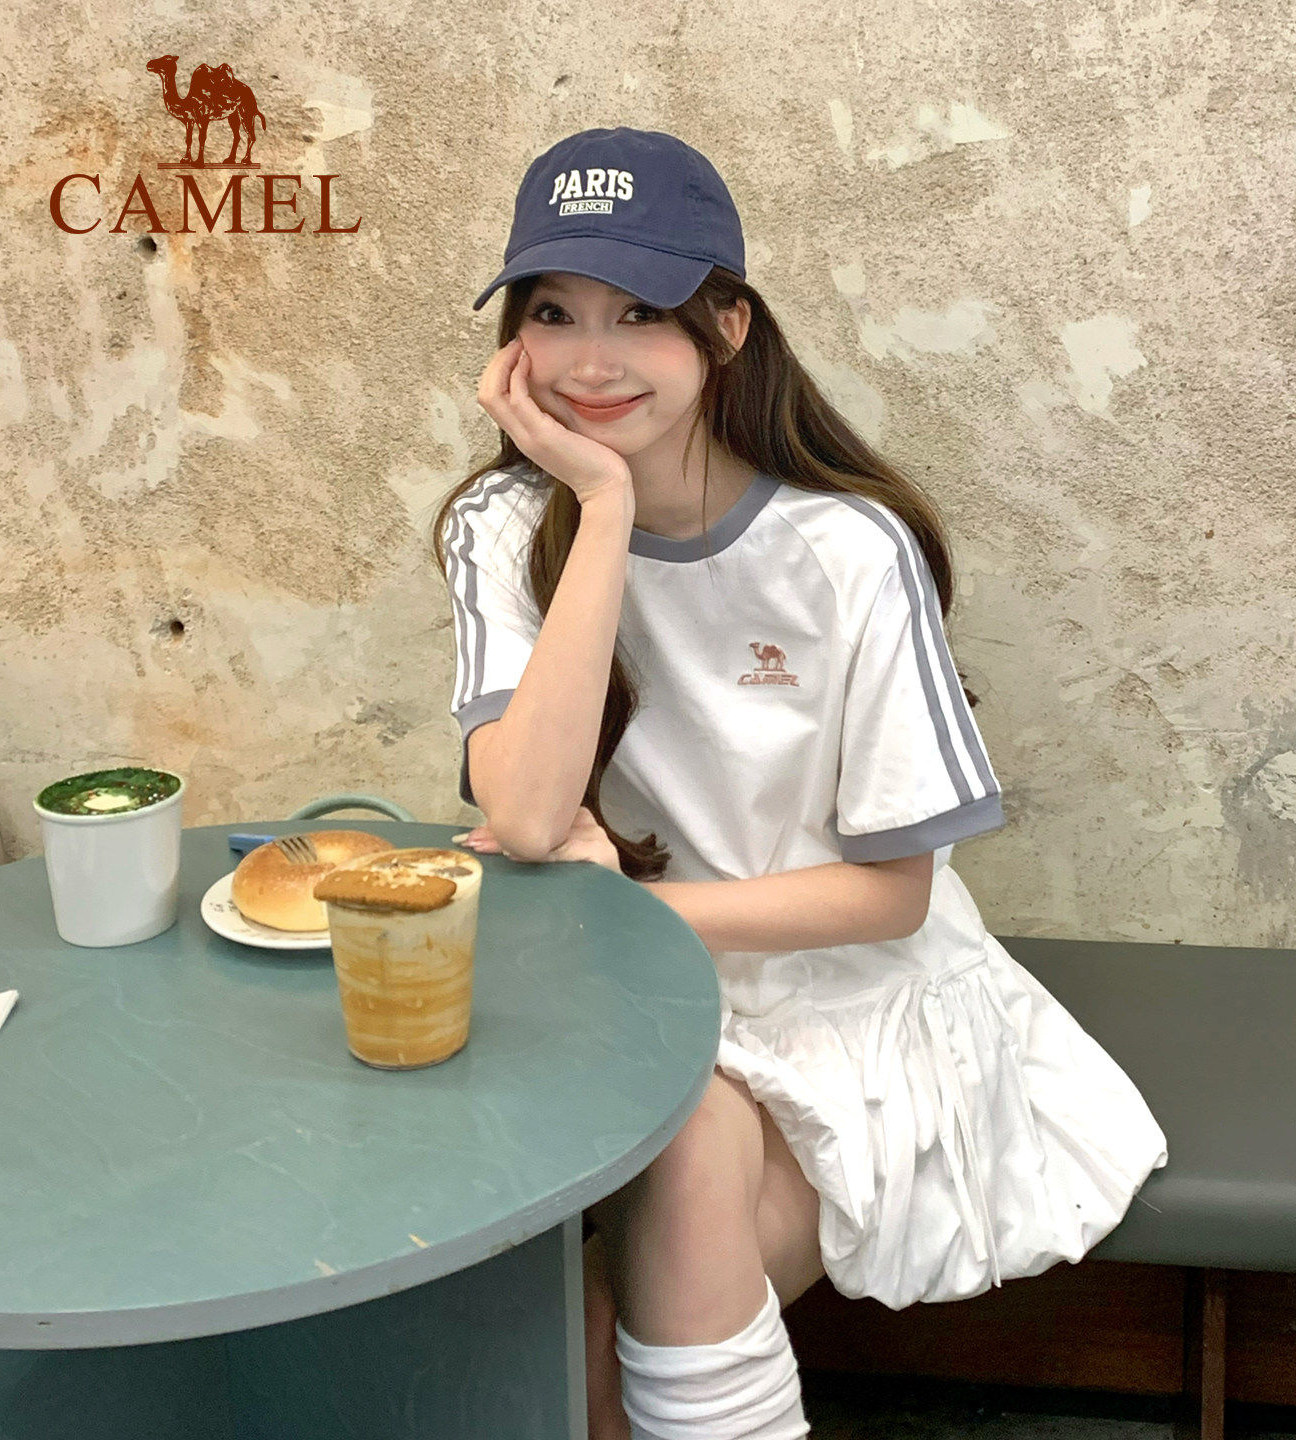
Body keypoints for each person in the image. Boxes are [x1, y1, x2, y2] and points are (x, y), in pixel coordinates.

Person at [432, 126, 1169, 1440]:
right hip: (639, 990)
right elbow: (530, 816)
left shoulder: (848, 548)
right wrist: (602, 509)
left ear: (726, 325)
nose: (590, 359)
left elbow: (890, 898)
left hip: (843, 994)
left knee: (598, 1353)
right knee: (564, 1359)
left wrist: (639, 913)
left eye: (640, 312)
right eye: (553, 313)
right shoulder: (503, 525)